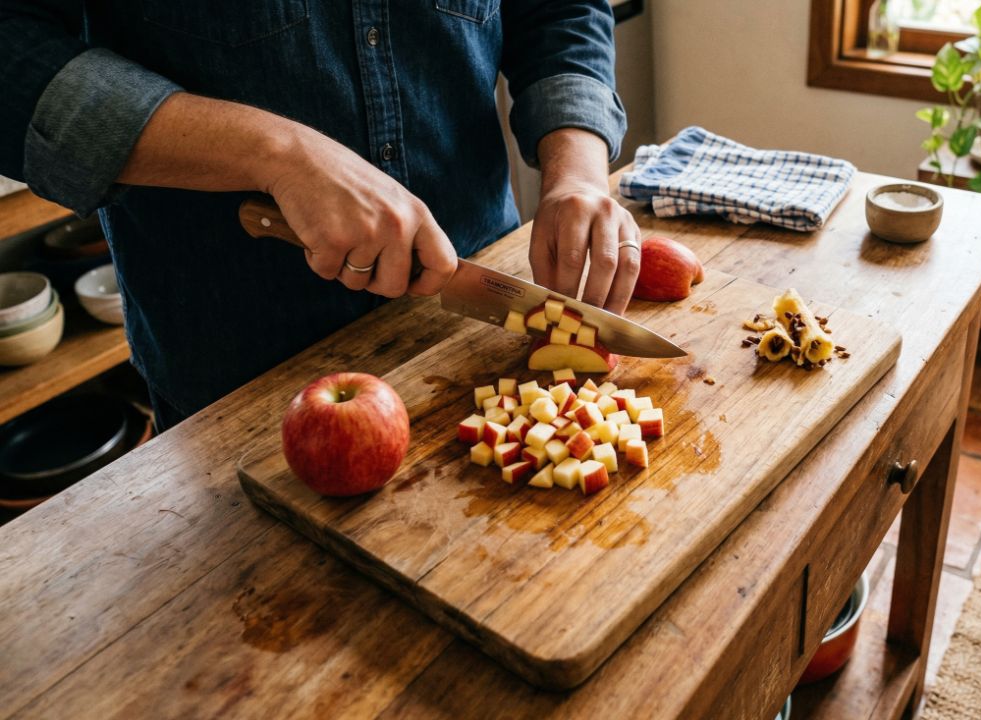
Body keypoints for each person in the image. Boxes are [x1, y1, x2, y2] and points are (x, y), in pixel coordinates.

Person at [0, 1, 640, 431]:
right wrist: (277, 153)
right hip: (239, 373)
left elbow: (557, 10)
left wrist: (577, 168)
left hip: (474, 327)